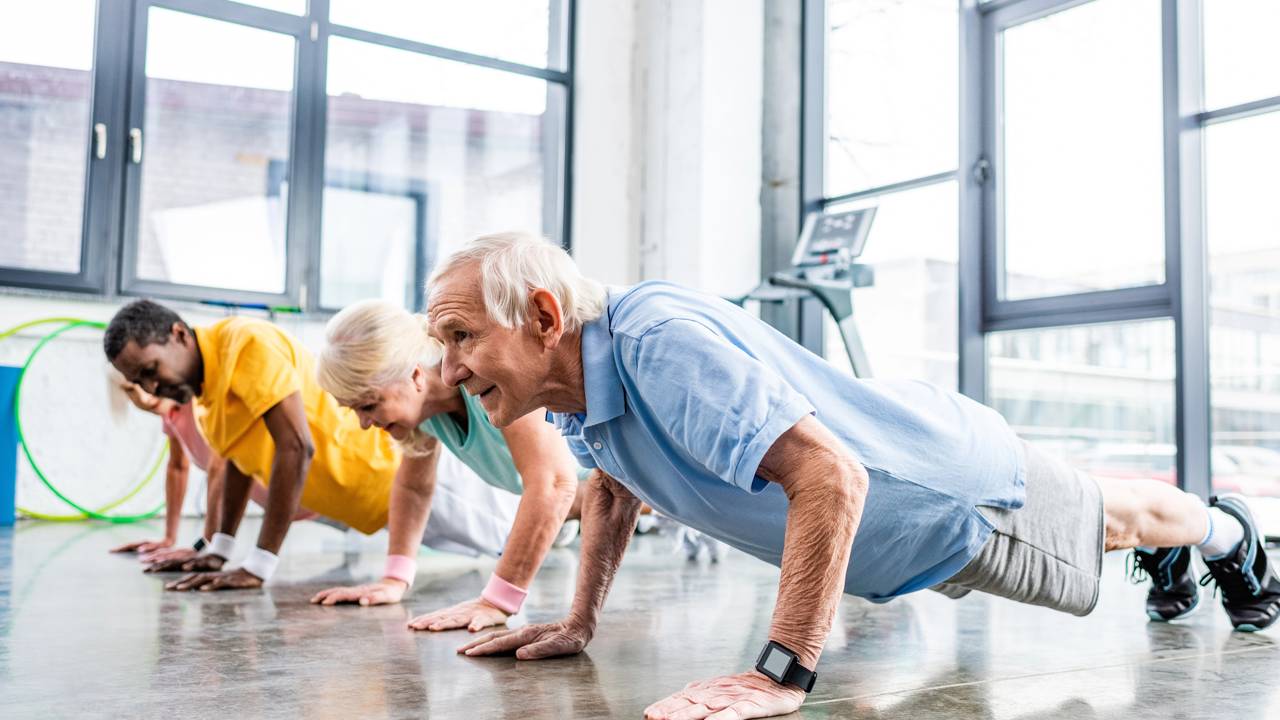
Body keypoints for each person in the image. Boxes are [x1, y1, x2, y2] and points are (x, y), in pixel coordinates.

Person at [420, 232, 1280, 720]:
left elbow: (831, 479)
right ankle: (1180, 552)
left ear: (541, 316)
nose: (451, 371)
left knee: (1115, 518)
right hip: (900, 523)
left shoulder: (652, 343)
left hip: (945, 498)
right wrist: (578, 621)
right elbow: (609, 487)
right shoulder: (578, 387)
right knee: (1108, 514)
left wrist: (781, 672)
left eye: (462, 337)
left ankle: (1233, 535)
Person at [103, 300, 520, 592]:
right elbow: (234, 465)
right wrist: (219, 549)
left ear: (178, 335)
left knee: (521, 527)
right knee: (499, 536)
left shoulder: (244, 342)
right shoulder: (207, 398)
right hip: (366, 504)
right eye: (139, 382)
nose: (151, 387)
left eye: (150, 370)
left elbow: (294, 447)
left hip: (386, 473)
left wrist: (260, 563)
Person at [308, 300, 585, 632]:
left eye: (368, 405)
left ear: (414, 376)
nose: (364, 424)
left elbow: (554, 484)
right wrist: (395, 578)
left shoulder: (486, 378)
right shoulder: (427, 413)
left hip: (621, 480)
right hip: (586, 498)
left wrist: (497, 600)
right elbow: (413, 488)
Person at [108, 381, 227, 562]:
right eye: (131, 390)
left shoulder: (196, 398)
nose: (142, 396)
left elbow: (221, 466)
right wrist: (169, 538)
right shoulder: (171, 411)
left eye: (144, 379)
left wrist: (205, 544)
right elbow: (178, 467)